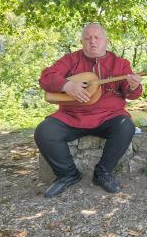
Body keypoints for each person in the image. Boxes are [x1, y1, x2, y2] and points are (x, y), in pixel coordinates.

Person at [35, 23, 141, 198]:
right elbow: (46, 77)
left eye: (97, 37)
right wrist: (66, 85)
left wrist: (133, 86)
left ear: (106, 41)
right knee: (44, 131)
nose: (92, 42)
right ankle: (68, 174)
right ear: (82, 42)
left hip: (109, 116)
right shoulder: (70, 60)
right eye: (87, 38)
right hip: (72, 116)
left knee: (125, 126)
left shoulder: (121, 64)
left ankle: (103, 172)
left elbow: (132, 94)